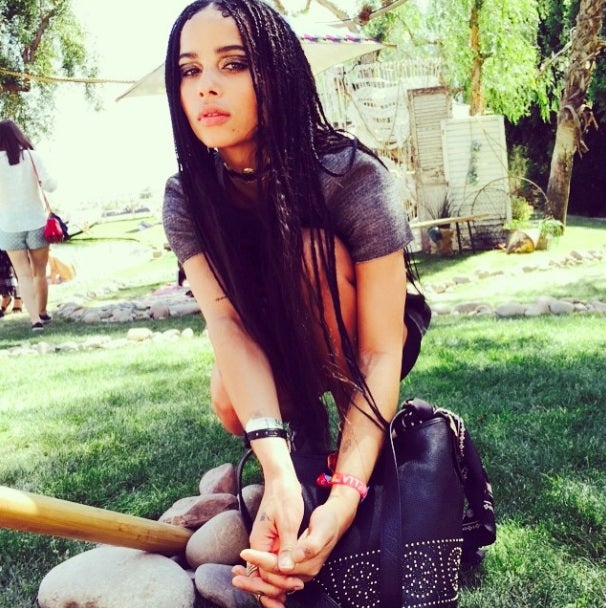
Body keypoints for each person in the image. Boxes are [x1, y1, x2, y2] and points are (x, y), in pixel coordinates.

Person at [162, 1, 422, 605]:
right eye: (190, 70)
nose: (206, 87)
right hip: (269, 335)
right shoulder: (187, 198)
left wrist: (346, 494)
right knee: (229, 401)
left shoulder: (350, 176)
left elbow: (381, 350)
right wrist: (277, 471)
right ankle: (301, 443)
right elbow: (227, 324)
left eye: (233, 64)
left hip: (359, 337)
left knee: (310, 256)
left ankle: (349, 444)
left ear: (277, 73)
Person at [0, 120, 56, 330]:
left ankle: (35, 321)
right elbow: (51, 185)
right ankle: (42, 311)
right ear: (18, 135)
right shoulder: (32, 157)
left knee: (22, 274)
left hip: (8, 226)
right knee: (39, 272)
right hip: (36, 222)